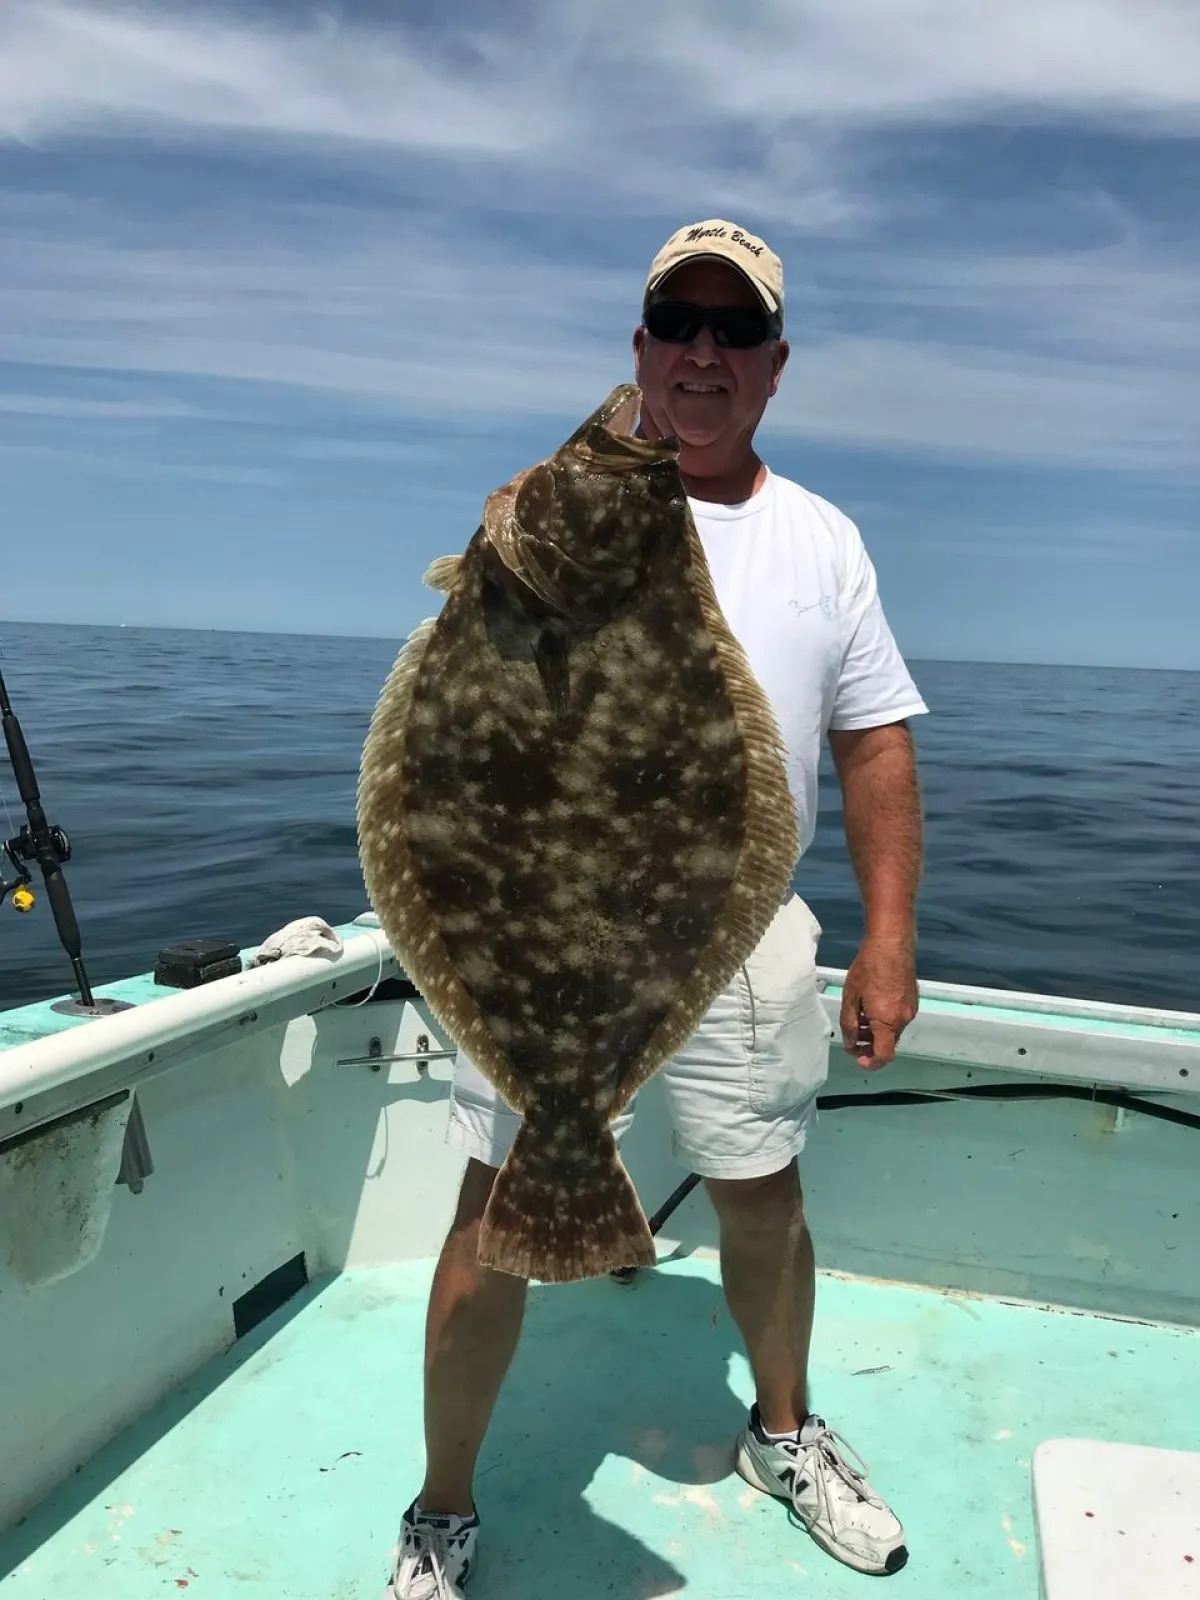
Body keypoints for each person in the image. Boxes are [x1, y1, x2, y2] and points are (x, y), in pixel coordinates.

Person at [389, 218, 928, 1598]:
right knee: (489, 1212)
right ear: (640, 348)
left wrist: (889, 937)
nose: (702, 351)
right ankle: (441, 1510)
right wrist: (505, 535)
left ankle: (784, 1433)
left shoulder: (822, 539)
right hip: (533, 916)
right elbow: (456, 720)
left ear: (773, 364)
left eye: (734, 330)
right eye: (677, 325)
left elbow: (872, 742)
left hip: (729, 923)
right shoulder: (538, 512)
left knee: (765, 1195)